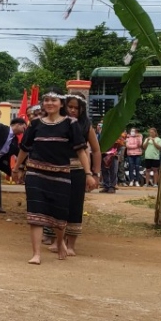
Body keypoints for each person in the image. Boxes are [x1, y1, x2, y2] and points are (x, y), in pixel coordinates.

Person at [13, 91, 96, 265]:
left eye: (54, 100)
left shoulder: (70, 124)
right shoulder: (35, 124)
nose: (49, 103)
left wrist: (89, 174)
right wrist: (17, 168)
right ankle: (36, 254)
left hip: (61, 174)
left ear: (61, 103)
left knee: (60, 213)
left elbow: (81, 150)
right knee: (35, 212)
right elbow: (24, 148)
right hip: (36, 173)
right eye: (47, 100)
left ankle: (60, 242)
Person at [58, 95, 101, 256]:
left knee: (75, 206)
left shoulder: (86, 126)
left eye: (77, 108)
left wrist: (95, 174)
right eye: (70, 107)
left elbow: (96, 150)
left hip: (77, 170)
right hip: (57, 168)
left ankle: (71, 244)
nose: (73, 110)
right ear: (64, 106)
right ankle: (58, 241)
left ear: (82, 109)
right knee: (57, 205)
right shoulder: (56, 123)